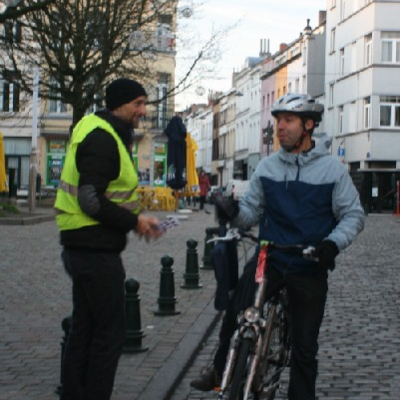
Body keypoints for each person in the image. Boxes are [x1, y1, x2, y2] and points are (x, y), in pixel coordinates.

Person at [190, 93, 365, 400]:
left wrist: (331, 245)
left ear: (308, 125)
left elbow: (353, 215)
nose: (279, 128)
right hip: (268, 258)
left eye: (288, 121)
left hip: (309, 262)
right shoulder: (268, 167)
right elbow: (250, 213)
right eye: (277, 121)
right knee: (235, 311)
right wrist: (232, 213)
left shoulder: (332, 170)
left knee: (304, 348)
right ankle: (220, 369)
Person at [54, 78, 163, 400]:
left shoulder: (100, 129)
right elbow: (90, 198)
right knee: (109, 335)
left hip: (83, 245)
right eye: (138, 104)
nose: (142, 111)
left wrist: (135, 221)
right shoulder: (103, 138)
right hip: (94, 251)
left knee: (84, 331)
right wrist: (134, 222)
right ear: (119, 104)